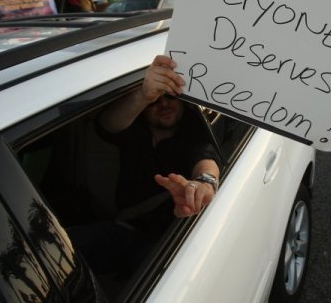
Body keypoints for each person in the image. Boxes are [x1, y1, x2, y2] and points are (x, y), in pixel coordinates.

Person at [69, 55, 221, 275]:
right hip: (120, 228)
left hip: (167, 242)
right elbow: (107, 126)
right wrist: (143, 95)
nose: (164, 104)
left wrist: (204, 184)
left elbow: (206, 160)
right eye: (155, 101)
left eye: (170, 97)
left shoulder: (193, 133)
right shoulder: (135, 129)